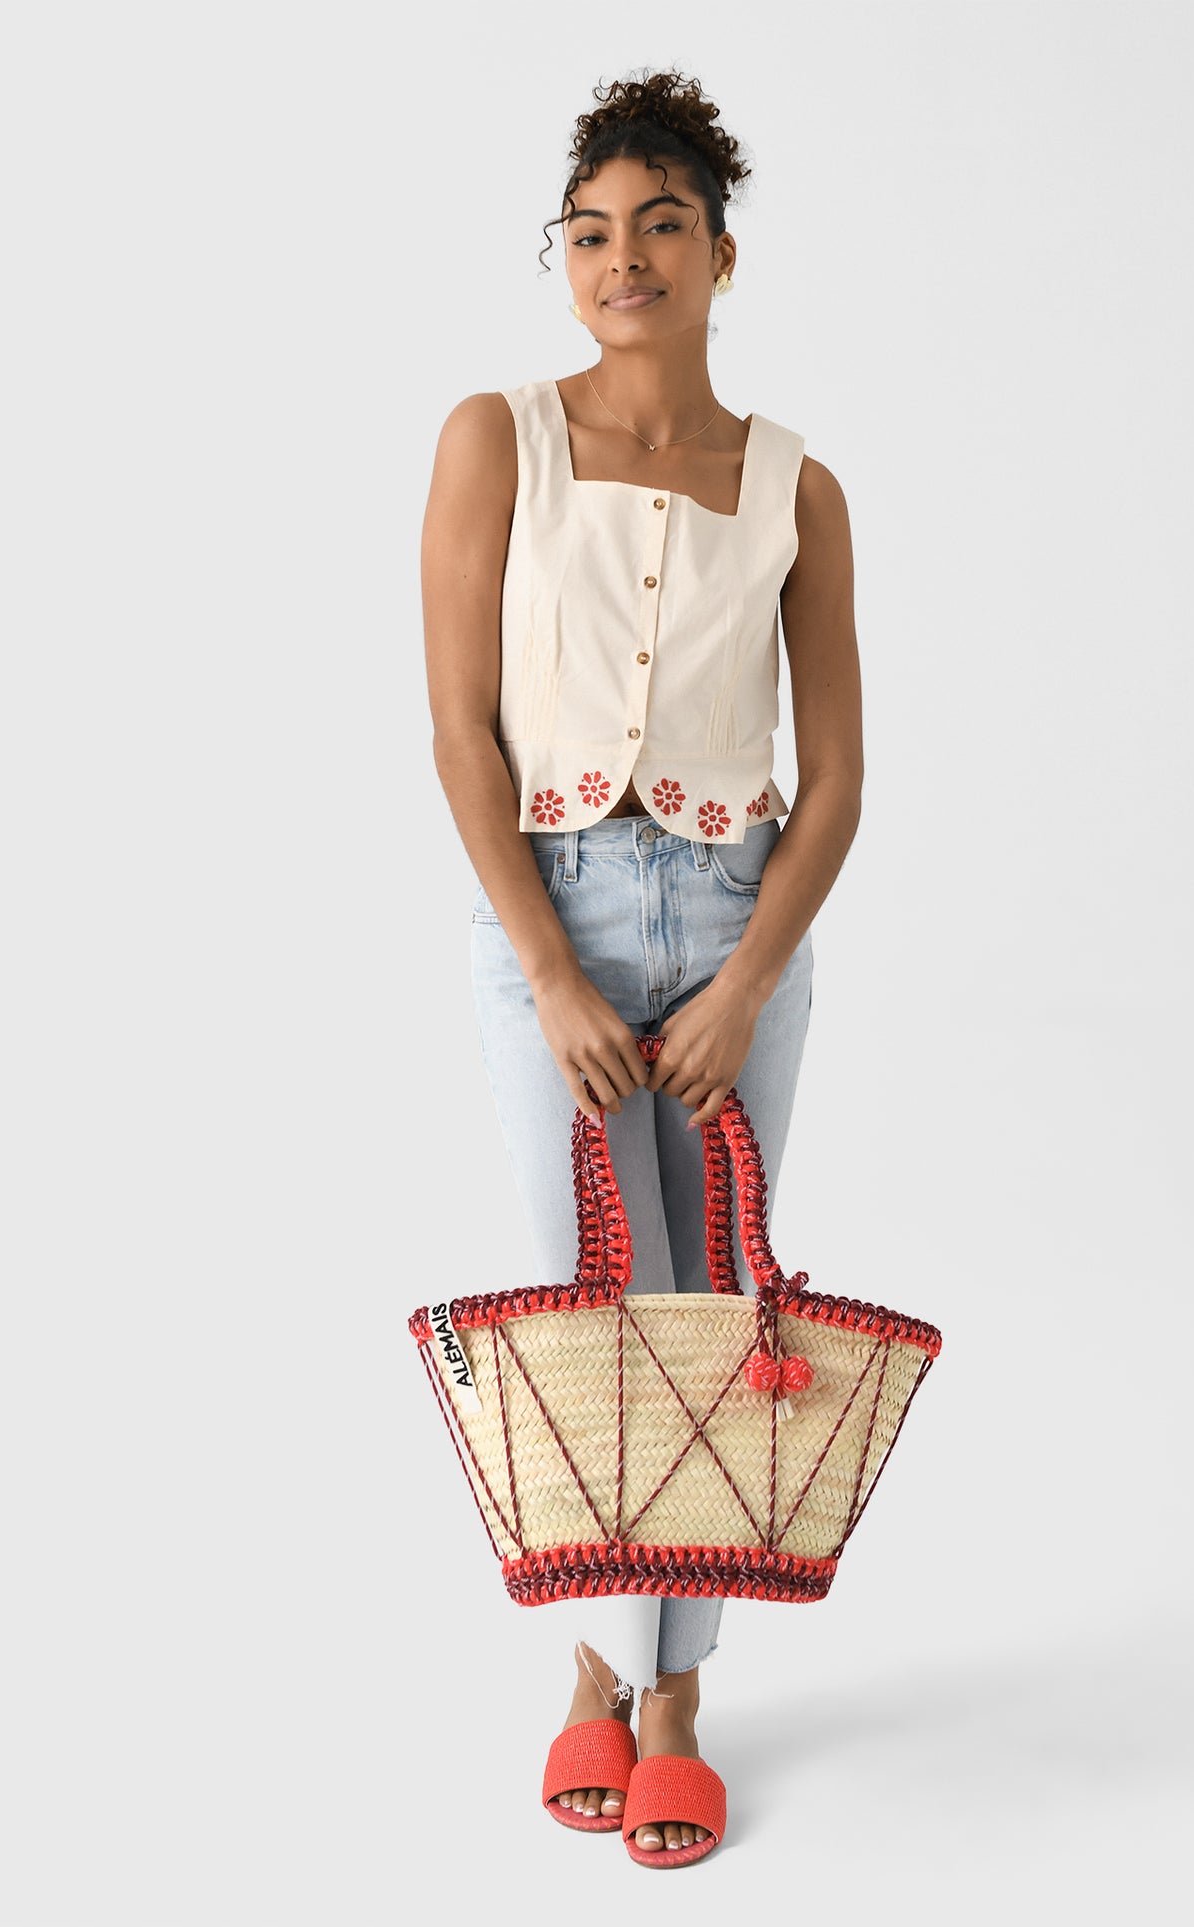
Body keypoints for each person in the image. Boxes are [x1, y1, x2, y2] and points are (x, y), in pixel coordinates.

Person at [420, 67, 862, 1866]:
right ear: (565, 258)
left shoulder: (797, 486)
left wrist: (746, 982)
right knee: (594, 1308)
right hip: (559, 913)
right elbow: (460, 730)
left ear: (720, 255)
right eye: (590, 232)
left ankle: (643, 1695)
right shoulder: (496, 438)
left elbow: (836, 778)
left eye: (662, 226)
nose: (624, 259)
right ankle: (628, 1676)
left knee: (711, 1314)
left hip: (741, 919)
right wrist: (550, 973)